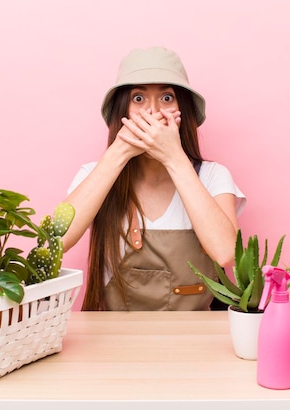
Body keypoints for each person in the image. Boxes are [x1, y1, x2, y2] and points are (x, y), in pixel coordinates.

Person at [62, 46, 246, 311]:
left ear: (183, 110)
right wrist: (120, 151)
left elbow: (226, 252)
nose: (152, 112)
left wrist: (174, 157)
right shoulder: (93, 174)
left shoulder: (213, 176)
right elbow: (56, 241)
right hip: (114, 339)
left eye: (167, 98)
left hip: (195, 338)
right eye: (138, 99)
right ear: (121, 112)